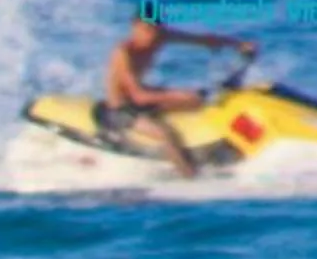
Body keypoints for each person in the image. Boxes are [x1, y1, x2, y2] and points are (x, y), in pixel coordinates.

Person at [102, 18, 257, 177]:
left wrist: (238, 44)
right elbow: (138, 96)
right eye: (146, 30)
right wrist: (177, 94)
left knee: (198, 102)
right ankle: (188, 176)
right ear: (134, 27)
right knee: (166, 134)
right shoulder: (124, 52)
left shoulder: (159, 37)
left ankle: (214, 150)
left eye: (155, 30)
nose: (150, 36)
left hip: (142, 98)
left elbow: (203, 40)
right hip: (121, 110)